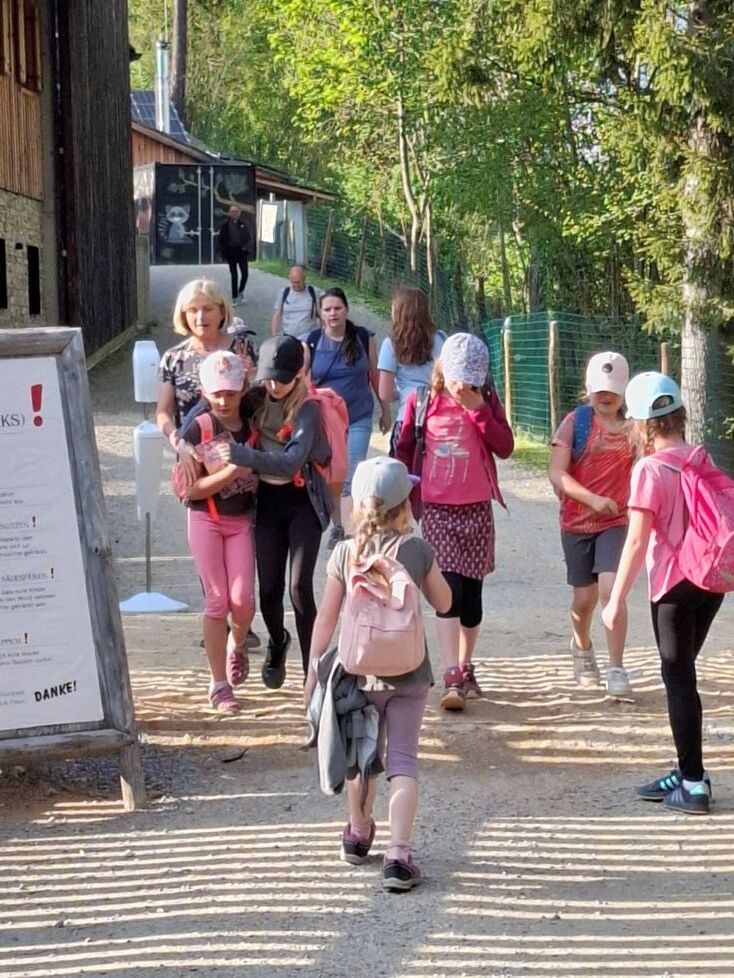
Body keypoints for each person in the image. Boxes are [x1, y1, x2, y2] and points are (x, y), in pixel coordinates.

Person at [304, 456, 452, 891]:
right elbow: (445, 603)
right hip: (410, 672)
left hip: (358, 673)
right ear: (405, 506)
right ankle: (398, 857)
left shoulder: (345, 553)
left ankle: (357, 833)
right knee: (403, 761)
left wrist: (313, 670)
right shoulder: (417, 551)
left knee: (362, 757)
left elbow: (325, 618)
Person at [602, 372, 724, 815]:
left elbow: (636, 541)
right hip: (710, 582)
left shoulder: (649, 470)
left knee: (678, 680)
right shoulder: (701, 458)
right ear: (680, 415)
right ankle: (689, 769)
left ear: (640, 425)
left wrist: (615, 600)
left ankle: (692, 784)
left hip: (673, 585)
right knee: (682, 675)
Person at [396, 332, 514, 712]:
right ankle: (450, 675)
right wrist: (402, 498)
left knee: (473, 601)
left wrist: (479, 410)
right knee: (449, 592)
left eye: (470, 379)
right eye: (457, 378)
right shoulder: (422, 401)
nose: (462, 386)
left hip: (476, 510)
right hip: (437, 510)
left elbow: (505, 447)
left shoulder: (486, 400)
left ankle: (465, 666)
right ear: (443, 369)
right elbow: (404, 450)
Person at [215, 334, 331, 688]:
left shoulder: (308, 410)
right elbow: (216, 410)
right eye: (268, 378)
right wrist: (184, 442)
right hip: (267, 503)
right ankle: (278, 641)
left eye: (282, 379)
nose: (274, 386)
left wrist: (243, 456)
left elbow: (291, 461)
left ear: (297, 374)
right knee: (268, 590)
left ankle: (312, 673)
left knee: (299, 587)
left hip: (303, 503)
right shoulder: (257, 397)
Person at [156, 278, 259, 650]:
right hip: (195, 457)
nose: (200, 317)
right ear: (183, 315)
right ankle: (218, 618)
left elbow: (258, 399)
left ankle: (240, 619)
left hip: (242, 456)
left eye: (207, 309)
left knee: (242, 536)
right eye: (192, 310)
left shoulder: (241, 347)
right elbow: (163, 412)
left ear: (221, 311)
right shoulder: (174, 358)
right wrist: (179, 443)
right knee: (207, 541)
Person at [548, 351, 636, 697]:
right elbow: (557, 472)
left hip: (616, 522)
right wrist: (592, 499)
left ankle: (616, 667)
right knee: (584, 599)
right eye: (599, 388)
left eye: (613, 388)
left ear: (624, 390)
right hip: (576, 523)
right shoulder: (576, 422)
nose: (605, 395)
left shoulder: (635, 429)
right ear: (588, 389)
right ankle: (582, 646)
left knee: (611, 590)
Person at [179, 352, 257, 713]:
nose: (224, 401)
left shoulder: (254, 423)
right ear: (205, 393)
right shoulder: (199, 428)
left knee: (242, 602)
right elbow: (189, 491)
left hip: (241, 521)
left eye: (230, 393)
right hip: (206, 519)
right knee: (216, 600)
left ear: (242, 389)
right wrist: (231, 473)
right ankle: (219, 684)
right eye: (217, 394)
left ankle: (236, 645)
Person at [306, 287, 386, 548]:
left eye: (337, 308)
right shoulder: (312, 342)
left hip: (359, 415)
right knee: (333, 475)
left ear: (346, 310)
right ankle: (338, 525)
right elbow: (304, 383)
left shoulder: (362, 337)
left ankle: (352, 531)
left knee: (352, 472)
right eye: (327, 309)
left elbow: (374, 374)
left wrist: (385, 409)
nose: (333, 314)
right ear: (320, 313)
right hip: (327, 420)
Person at [377, 287, 445, 455]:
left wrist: (401, 393)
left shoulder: (391, 344)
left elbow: (384, 394)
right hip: (438, 416)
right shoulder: (440, 339)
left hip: (407, 418)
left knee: (403, 469)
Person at [271, 264, 319, 339]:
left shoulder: (314, 292)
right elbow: (276, 316)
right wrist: (274, 337)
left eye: (299, 282)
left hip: (309, 337)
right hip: (288, 337)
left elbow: (322, 315)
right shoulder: (283, 293)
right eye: (294, 282)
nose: (296, 285)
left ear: (304, 278)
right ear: (289, 278)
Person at [218, 205, 253, 304]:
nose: (234, 213)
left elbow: (249, 237)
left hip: (241, 252)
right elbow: (220, 240)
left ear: (239, 213)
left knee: (245, 274)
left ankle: (241, 291)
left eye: (236, 211)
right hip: (230, 252)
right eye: (232, 211)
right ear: (229, 213)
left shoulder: (244, 223)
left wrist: (246, 247)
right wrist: (221, 252)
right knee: (234, 275)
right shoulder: (225, 225)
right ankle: (234, 297)